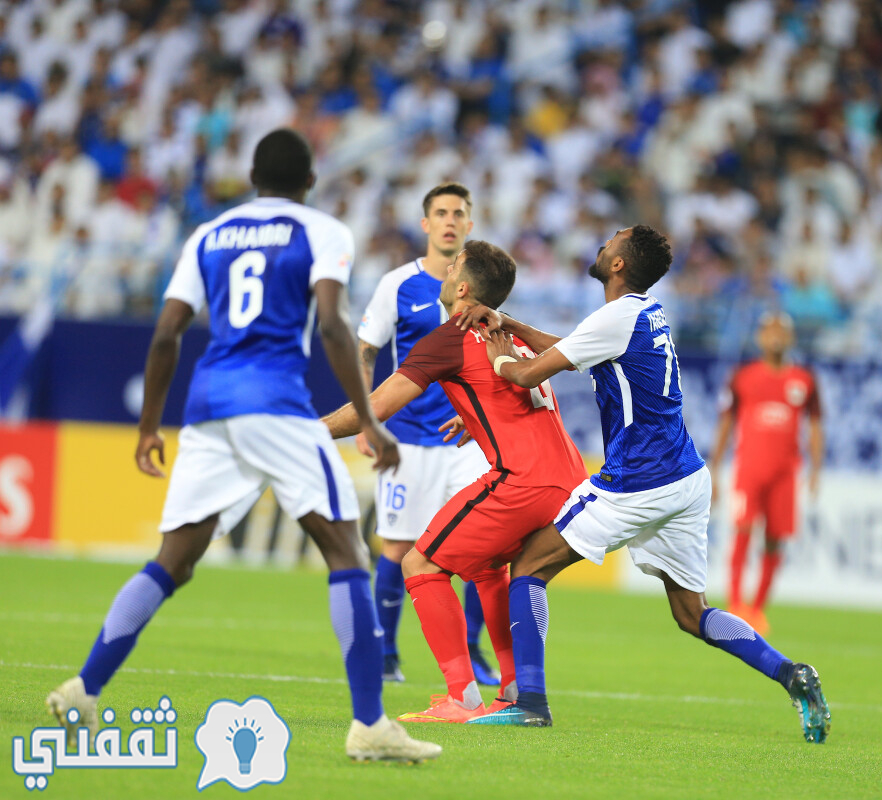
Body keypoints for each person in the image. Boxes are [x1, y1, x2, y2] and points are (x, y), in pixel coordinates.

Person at [45, 129, 441, 764]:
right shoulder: (322, 230)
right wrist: (368, 419)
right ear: (310, 180)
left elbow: (168, 332)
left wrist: (150, 424)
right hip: (278, 406)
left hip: (208, 409)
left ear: (252, 178)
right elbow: (334, 325)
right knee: (345, 550)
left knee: (173, 558)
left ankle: (84, 688)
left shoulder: (208, 234)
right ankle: (370, 724)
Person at [462, 225, 831, 743]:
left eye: (611, 239)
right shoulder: (644, 312)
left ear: (618, 264)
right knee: (691, 612)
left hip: (639, 479)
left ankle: (531, 702)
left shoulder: (615, 317)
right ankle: (791, 674)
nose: (602, 242)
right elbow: (571, 348)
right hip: (685, 476)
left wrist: (499, 355)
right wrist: (509, 323)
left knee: (527, 565)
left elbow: (525, 376)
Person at [324, 240, 588, 723]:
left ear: (462, 288)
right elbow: (521, 386)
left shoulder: (448, 338)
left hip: (522, 482)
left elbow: (374, 409)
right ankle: (511, 690)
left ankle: (461, 697)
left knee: (419, 563)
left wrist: (304, 433)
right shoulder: (510, 334)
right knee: (488, 569)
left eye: (454, 268)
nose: (446, 271)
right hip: (568, 480)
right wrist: (478, 414)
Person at [356, 181, 497, 686]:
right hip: (410, 439)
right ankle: (386, 650)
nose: (450, 220)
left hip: (467, 441)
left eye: (459, 212)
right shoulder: (397, 284)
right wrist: (367, 420)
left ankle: (474, 652)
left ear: (469, 224)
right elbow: (366, 350)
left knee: (482, 549)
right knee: (396, 547)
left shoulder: (482, 288)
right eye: (440, 212)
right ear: (426, 224)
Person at [709, 313, 823, 634]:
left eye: (782, 331)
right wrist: (715, 467)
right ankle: (735, 604)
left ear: (791, 338)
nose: (775, 336)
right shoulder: (742, 377)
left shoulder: (804, 380)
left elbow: (815, 426)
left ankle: (757, 609)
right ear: (759, 337)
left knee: (775, 540)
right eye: (769, 330)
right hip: (750, 470)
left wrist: (816, 469)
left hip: (785, 474)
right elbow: (726, 423)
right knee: (743, 529)